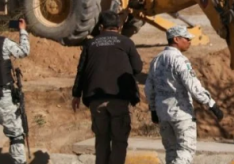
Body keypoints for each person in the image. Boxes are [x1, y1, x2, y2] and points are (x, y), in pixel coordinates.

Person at [145, 26, 224, 164]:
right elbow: (193, 86)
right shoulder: (180, 60)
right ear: (176, 39)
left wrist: (153, 109)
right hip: (181, 113)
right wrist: (211, 104)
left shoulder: (156, 60)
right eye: (186, 39)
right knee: (186, 150)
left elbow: (149, 88)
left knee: (171, 151)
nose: (189, 41)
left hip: (163, 113)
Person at [71, 11, 142, 164]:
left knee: (101, 140)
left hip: (96, 100)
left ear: (101, 26)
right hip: (119, 99)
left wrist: (76, 95)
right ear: (120, 26)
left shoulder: (90, 44)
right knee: (119, 140)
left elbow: (81, 71)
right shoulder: (126, 42)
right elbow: (137, 68)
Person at [0, 18, 29, 164]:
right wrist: (22, 31)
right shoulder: (3, 43)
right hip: (3, 97)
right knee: (16, 135)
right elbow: (23, 52)